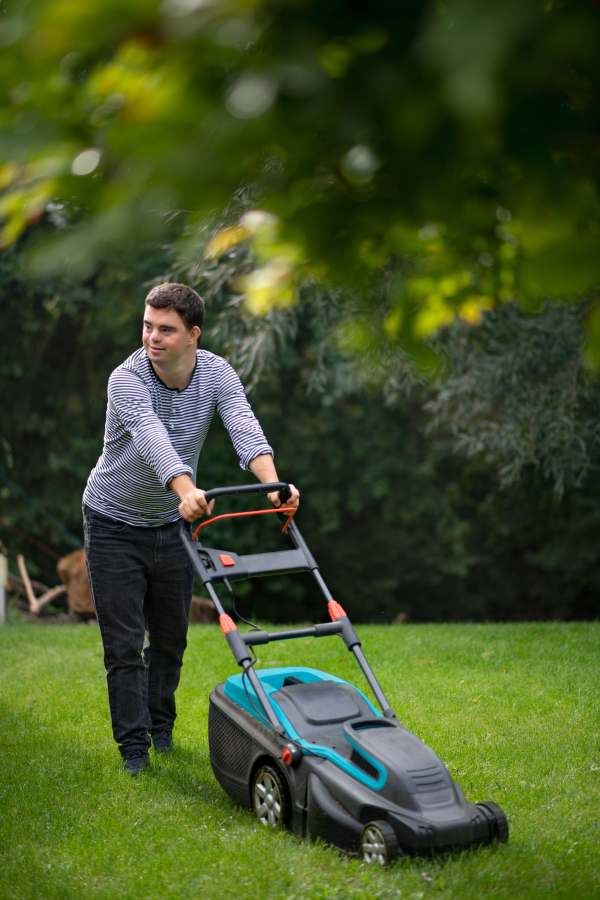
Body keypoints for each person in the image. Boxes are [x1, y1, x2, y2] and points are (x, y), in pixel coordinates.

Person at [83, 283, 299, 775]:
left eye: (165, 329)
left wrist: (275, 485)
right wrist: (185, 490)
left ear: (193, 334)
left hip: (173, 526)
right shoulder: (126, 379)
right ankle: (134, 751)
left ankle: (162, 730)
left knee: (171, 639)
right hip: (112, 521)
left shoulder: (217, 373)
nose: (151, 338)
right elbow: (151, 437)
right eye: (147, 326)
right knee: (123, 646)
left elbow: (244, 427)